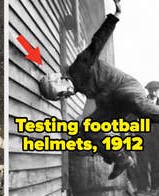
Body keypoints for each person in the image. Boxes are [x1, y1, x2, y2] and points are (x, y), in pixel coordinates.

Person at [40, 0, 159, 180]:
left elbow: (98, 41)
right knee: (88, 127)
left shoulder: (81, 64)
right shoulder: (75, 85)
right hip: (111, 102)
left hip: (124, 87)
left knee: (134, 103)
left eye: (62, 92)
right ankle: (121, 159)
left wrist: (115, 16)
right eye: (61, 97)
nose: (66, 96)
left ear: (61, 80)